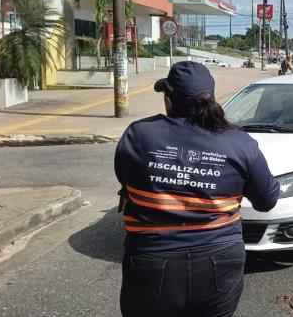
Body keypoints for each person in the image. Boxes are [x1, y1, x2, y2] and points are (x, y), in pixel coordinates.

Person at [114, 61, 279, 316]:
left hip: (153, 259)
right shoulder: (240, 143)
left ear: (169, 100)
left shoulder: (139, 135)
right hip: (219, 261)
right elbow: (267, 200)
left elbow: (125, 177)